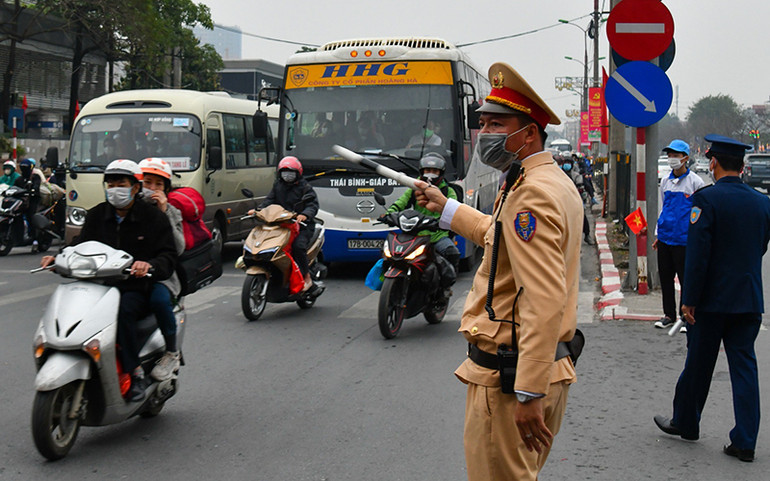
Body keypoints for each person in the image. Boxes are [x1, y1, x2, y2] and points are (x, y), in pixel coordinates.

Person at [415, 62, 583, 480]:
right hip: (541, 368)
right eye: (484, 122)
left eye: (497, 123)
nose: (485, 132)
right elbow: (502, 237)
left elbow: (544, 298)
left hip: (511, 380)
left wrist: (528, 392)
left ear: (528, 133)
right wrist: (448, 207)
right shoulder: (548, 181)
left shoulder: (531, 195)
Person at [654, 134, 770, 463]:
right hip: (748, 299)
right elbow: (760, 246)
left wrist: (688, 300)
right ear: (743, 166)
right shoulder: (763, 202)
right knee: (745, 369)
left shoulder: (706, 200)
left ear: (713, 163)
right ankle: (745, 441)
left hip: (711, 302)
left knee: (698, 364)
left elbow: (698, 256)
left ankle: (686, 422)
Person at [40, 159, 177, 402]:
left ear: (135, 188)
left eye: (121, 184)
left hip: (135, 287)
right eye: (110, 183)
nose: (115, 189)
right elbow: (79, 245)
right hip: (98, 285)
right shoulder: (96, 215)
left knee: (123, 312)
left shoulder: (153, 217)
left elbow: (167, 255)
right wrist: (57, 258)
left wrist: (149, 265)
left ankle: (133, 373)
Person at [383, 152, 460, 288]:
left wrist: (441, 222)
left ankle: (444, 288)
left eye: (434, 171)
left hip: (437, 235)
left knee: (451, 252)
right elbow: (401, 202)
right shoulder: (414, 187)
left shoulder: (448, 192)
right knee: (389, 254)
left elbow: (453, 210)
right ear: (422, 171)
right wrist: (388, 214)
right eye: (427, 170)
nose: (430, 174)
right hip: (415, 235)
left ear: (441, 173)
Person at [138, 158, 185, 381]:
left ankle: (171, 351)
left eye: (158, 184)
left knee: (158, 300)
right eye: (148, 183)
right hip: (128, 274)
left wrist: (164, 211)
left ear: (166, 188)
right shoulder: (130, 208)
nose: (152, 189)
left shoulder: (172, 212)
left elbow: (178, 247)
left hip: (161, 275)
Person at [652, 140, 705, 332]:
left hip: (685, 239)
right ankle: (668, 315)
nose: (672, 159)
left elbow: (699, 212)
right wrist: (659, 234)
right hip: (666, 238)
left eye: (676, 155)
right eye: (670, 155)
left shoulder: (695, 182)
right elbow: (663, 207)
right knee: (666, 278)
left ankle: (685, 317)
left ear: (685, 158)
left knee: (685, 279)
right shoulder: (665, 181)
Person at [251, 156, 320, 293]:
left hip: (301, 225)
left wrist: (305, 215)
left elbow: (312, 204)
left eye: (291, 172)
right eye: (284, 172)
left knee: (297, 247)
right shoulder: (278, 185)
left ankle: (306, 277)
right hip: (280, 224)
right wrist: (258, 210)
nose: (287, 175)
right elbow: (269, 201)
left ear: (298, 173)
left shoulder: (305, 187)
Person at [560, 156, 593, 245]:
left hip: (575, 199)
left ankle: (587, 235)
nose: (566, 165)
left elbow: (581, 187)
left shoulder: (576, 176)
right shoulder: (558, 175)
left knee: (582, 216)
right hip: (561, 200)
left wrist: (583, 197)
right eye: (565, 162)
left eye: (568, 163)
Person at [14, 159, 42, 247]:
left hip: (33, 201)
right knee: (15, 215)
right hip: (22, 202)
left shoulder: (35, 177)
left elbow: (37, 186)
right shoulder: (19, 179)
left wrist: (33, 190)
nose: (24, 169)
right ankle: (18, 236)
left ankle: (35, 238)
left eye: (25, 167)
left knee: (31, 217)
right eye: (22, 167)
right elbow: (14, 188)